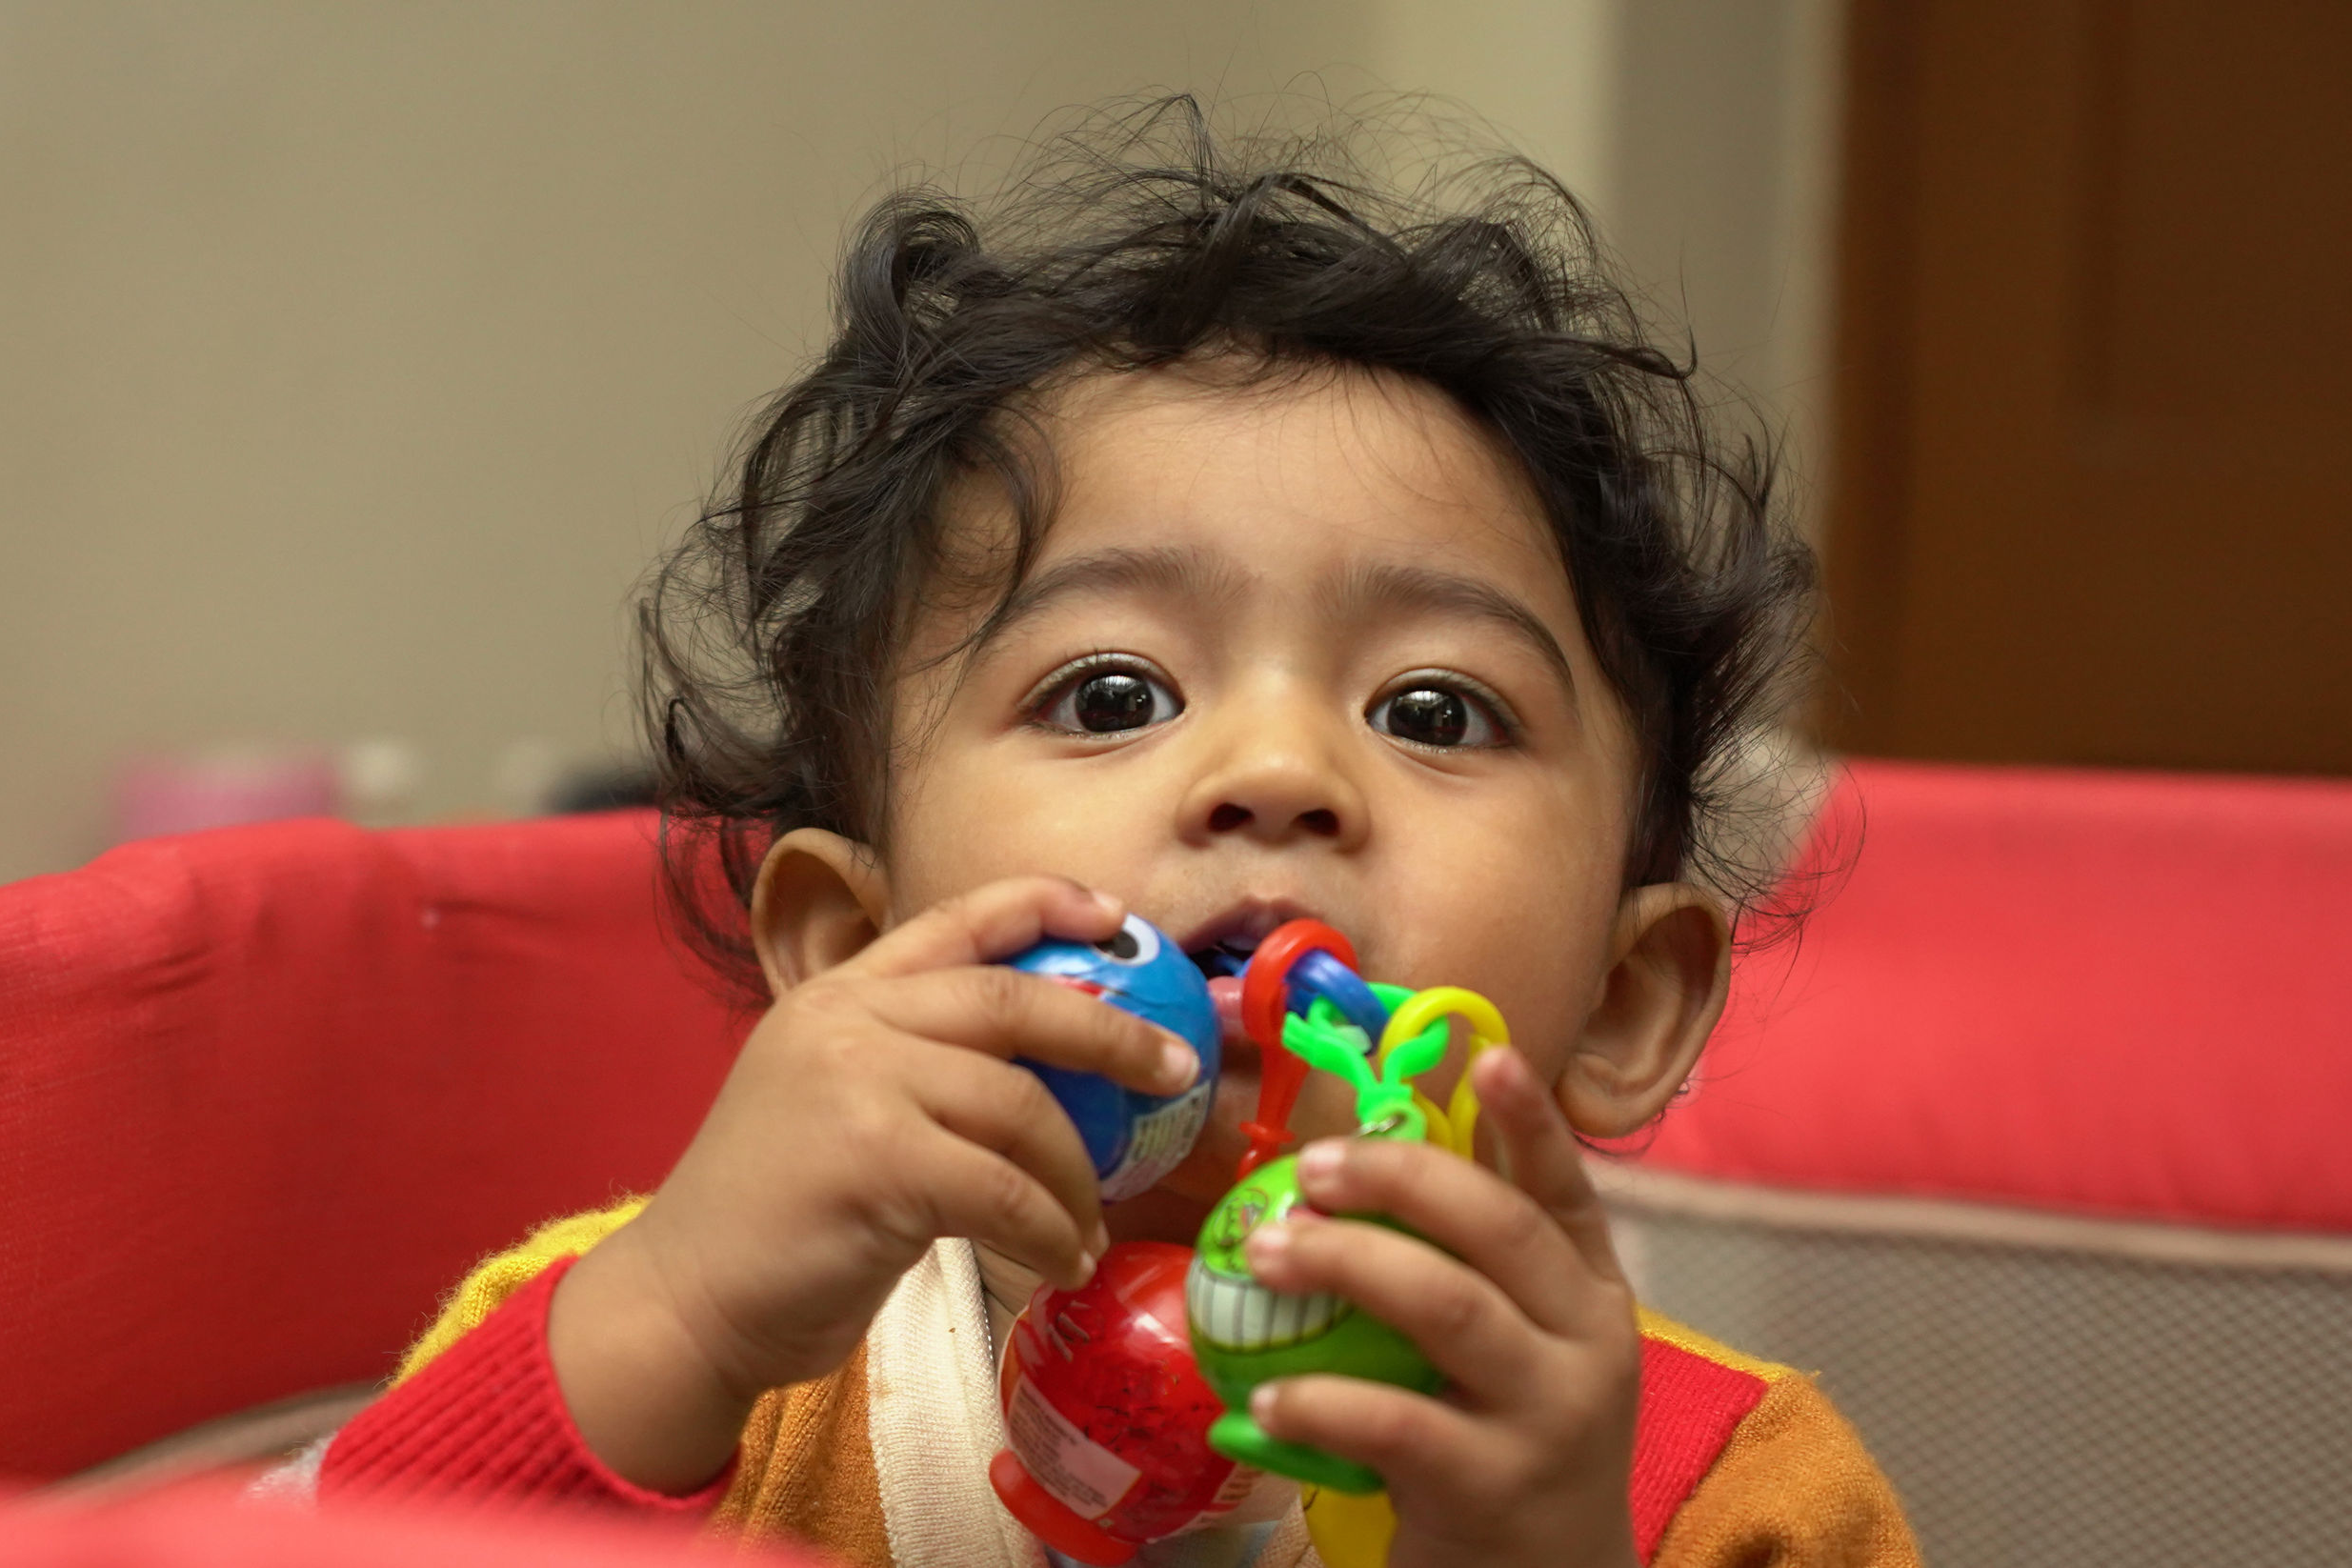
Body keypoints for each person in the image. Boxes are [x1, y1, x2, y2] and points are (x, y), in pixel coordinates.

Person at [288, 100, 1916, 1567]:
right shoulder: (676, 1355)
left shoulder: (1727, 1499)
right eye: (1115, 690)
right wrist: (683, 1317)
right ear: (853, 955)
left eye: (1433, 712)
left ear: (1629, 1006)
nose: (1278, 770)